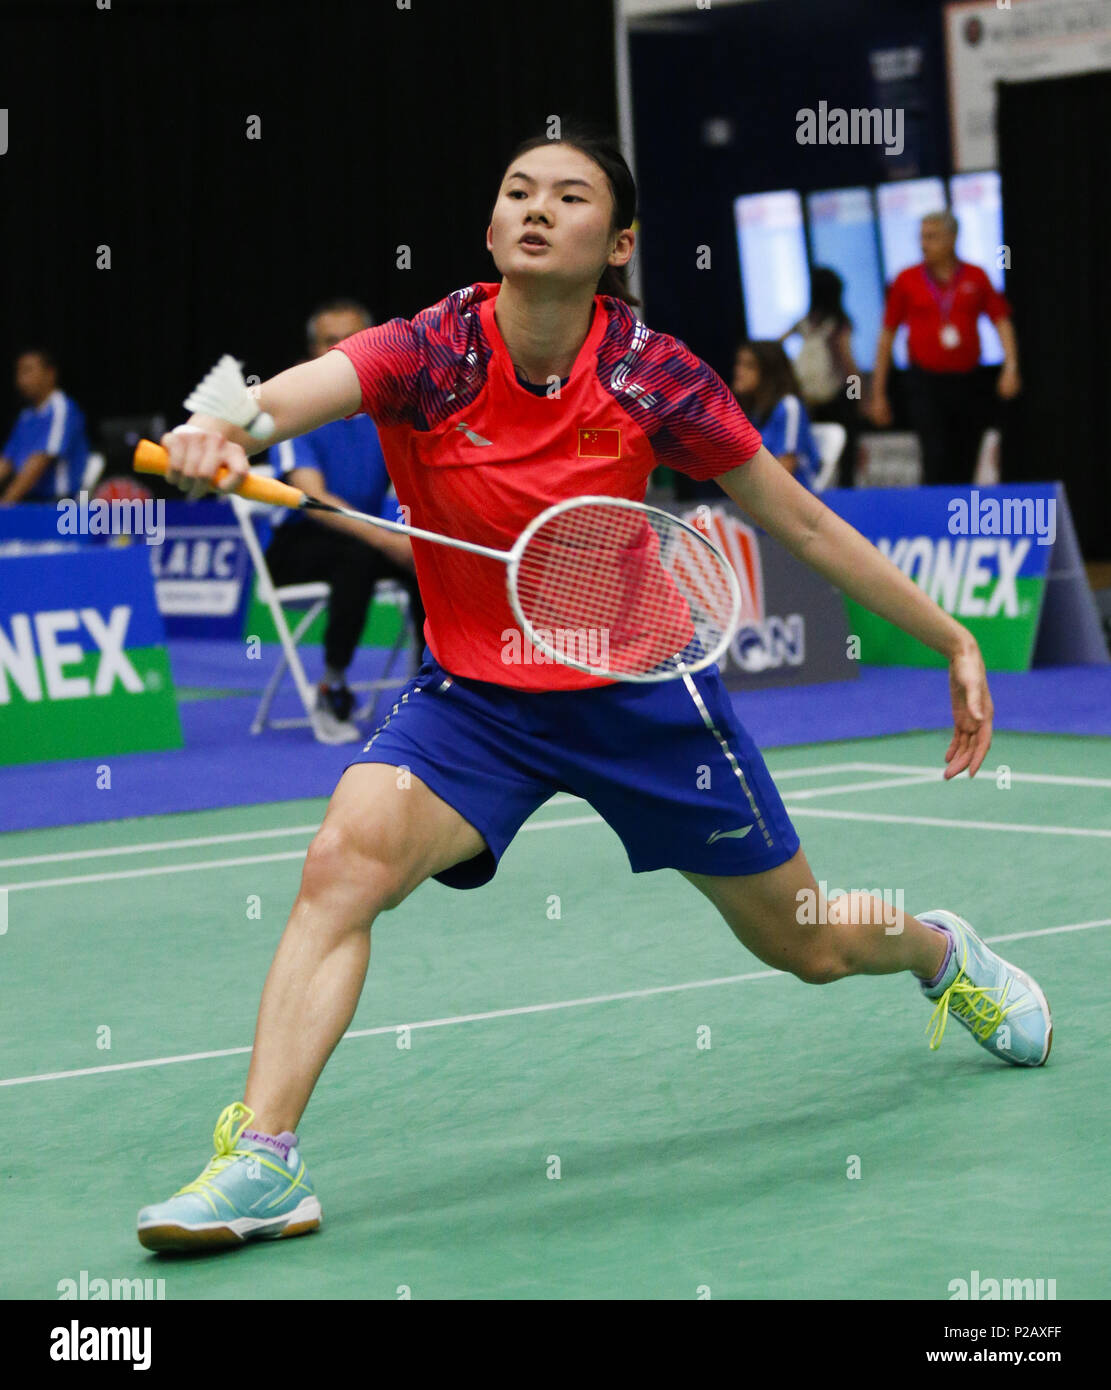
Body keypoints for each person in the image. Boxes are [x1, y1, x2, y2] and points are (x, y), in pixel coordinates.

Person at [136, 129, 1052, 1253]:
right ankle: (262, 1159)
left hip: (642, 694)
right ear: (489, 229)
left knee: (808, 941)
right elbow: (268, 393)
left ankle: (938, 951)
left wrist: (950, 634)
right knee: (343, 859)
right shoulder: (430, 350)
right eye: (515, 190)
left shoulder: (654, 375)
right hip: (477, 699)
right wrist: (210, 423)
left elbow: (802, 518)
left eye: (568, 197)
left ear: (614, 244)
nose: (534, 209)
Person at [263, 299, 422, 744]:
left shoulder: (384, 405)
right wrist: (389, 540)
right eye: (330, 341)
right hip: (297, 546)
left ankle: (429, 686)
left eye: (350, 339)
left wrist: (411, 539)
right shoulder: (295, 407)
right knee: (358, 556)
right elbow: (311, 498)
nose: (341, 349)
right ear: (313, 350)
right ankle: (332, 685)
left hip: (364, 542)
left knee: (429, 559)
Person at [868, 212, 1020, 485]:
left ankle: (960, 519)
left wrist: (1011, 367)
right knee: (935, 455)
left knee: (966, 453)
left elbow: (1002, 321)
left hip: (968, 380)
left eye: (932, 237)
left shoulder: (976, 276)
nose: (924, 244)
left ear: (952, 239)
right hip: (924, 382)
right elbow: (886, 337)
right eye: (922, 237)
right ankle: (936, 520)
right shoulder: (906, 279)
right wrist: (877, 393)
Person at [783, 266, 861, 487]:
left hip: (807, 397)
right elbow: (848, 361)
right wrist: (859, 392)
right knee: (846, 447)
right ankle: (846, 488)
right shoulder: (838, 323)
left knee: (811, 445)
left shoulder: (806, 322)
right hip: (836, 395)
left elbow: (777, 344)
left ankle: (810, 487)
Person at [732, 340, 823, 492]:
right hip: (759, 495)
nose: (738, 371)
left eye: (749, 366)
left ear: (769, 371)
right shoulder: (750, 409)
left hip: (794, 497)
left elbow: (786, 467)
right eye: (739, 364)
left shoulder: (789, 406)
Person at [0, 348, 89, 503]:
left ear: (50, 374)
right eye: (19, 372)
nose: (21, 380)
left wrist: (5, 504)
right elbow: (6, 462)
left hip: (58, 505)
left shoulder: (62, 409)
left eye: (28, 371)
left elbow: (39, 463)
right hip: (29, 501)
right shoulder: (26, 416)